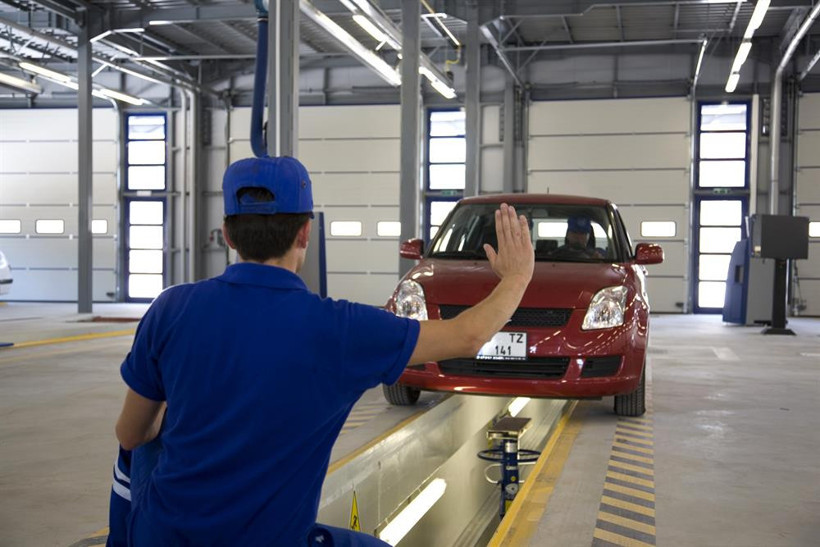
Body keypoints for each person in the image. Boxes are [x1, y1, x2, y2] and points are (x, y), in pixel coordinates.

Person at [114, 155, 534, 545]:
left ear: (227, 234)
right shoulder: (342, 330)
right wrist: (516, 278)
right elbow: (467, 336)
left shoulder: (170, 308)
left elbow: (131, 434)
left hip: (160, 534)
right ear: (305, 232)